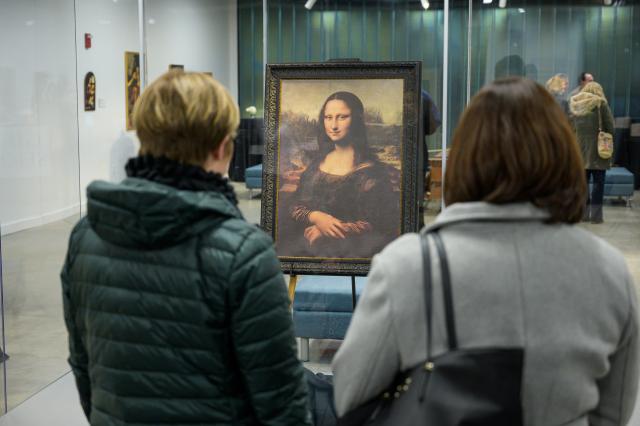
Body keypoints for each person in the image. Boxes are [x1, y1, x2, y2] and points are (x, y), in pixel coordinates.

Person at [333, 77, 638, 425]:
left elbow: (349, 394)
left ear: (465, 156)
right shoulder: (609, 271)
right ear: (563, 155)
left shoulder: (408, 266)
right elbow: (613, 413)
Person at [61, 71, 310, 425]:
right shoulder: (244, 253)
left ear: (144, 138)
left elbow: (85, 370)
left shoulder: (86, 236)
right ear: (223, 147)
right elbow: (281, 402)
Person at [286, 91, 396, 259]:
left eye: (342, 117)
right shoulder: (317, 163)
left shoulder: (371, 172)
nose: (333, 125)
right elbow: (294, 204)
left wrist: (329, 230)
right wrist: (316, 217)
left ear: (356, 121)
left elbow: (378, 223)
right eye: (328, 117)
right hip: (307, 247)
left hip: (353, 252)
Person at [570, 81, 614, 224]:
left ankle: (583, 215)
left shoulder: (575, 105)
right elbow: (610, 127)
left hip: (580, 150)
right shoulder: (601, 105)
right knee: (598, 184)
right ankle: (596, 217)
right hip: (598, 151)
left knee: (582, 185)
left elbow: (570, 128)